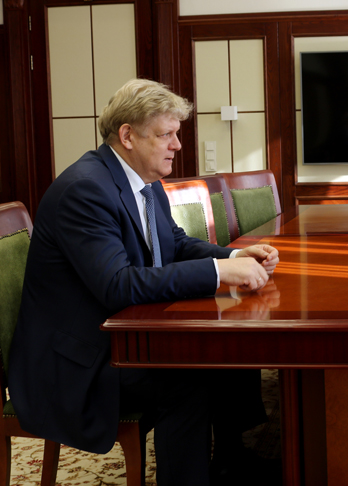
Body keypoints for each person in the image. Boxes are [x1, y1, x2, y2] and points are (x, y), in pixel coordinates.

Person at [8, 78, 280, 486]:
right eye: (166, 134)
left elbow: (174, 243)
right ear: (128, 136)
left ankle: (230, 461)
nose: (177, 145)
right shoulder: (84, 190)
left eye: (177, 134)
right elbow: (117, 285)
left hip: (121, 333)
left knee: (226, 349)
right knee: (186, 380)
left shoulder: (144, 182)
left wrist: (232, 257)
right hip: (78, 359)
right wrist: (218, 273)